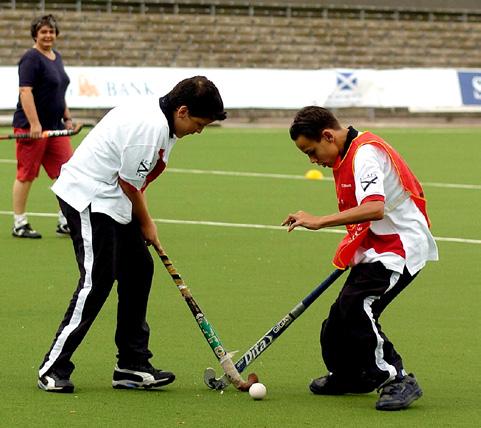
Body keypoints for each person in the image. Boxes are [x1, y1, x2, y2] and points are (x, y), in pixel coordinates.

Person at [37, 76, 226, 393]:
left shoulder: (164, 121)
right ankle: (52, 367)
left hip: (113, 199)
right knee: (97, 280)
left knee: (139, 269)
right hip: (88, 197)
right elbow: (129, 183)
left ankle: (131, 365)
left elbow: (135, 182)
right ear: (182, 110)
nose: (199, 130)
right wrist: (147, 222)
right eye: (199, 123)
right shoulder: (149, 128)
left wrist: (140, 221)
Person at [282, 106, 438, 411]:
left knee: (357, 307)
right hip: (376, 245)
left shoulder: (365, 154)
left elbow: (375, 208)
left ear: (327, 135)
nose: (313, 160)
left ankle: (396, 378)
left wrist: (319, 220)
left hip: (399, 248)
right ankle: (350, 376)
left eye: (311, 151)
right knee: (339, 317)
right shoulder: (349, 150)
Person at [12, 14, 73, 239]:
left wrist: (67, 116)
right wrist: (35, 124)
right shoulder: (31, 58)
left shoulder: (56, 57)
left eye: (51, 31)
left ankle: (66, 220)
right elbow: (25, 91)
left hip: (54, 127)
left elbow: (59, 92)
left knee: (68, 173)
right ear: (35, 34)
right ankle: (19, 223)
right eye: (43, 32)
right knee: (26, 174)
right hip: (31, 128)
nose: (48, 35)